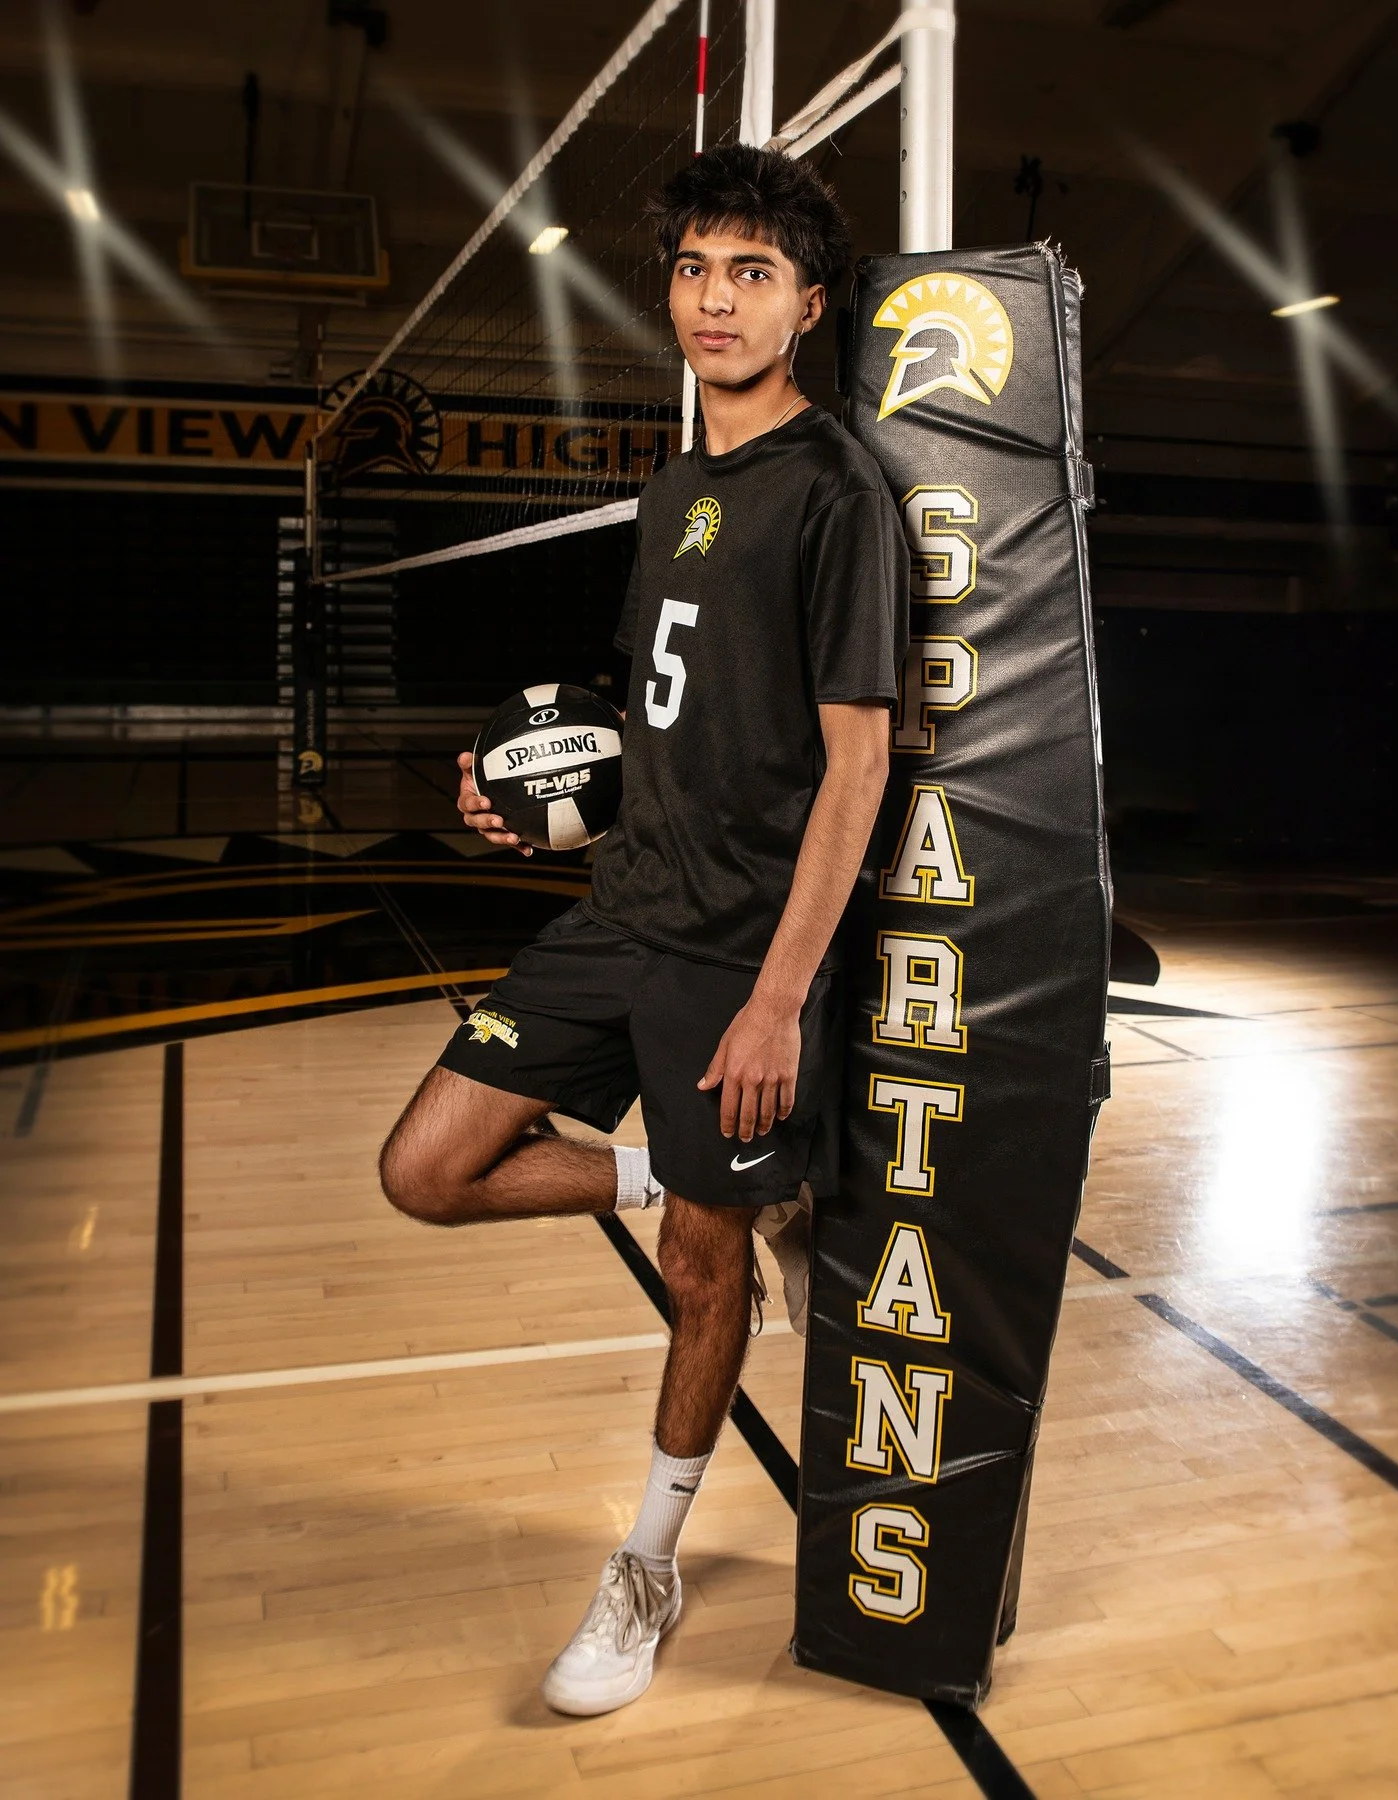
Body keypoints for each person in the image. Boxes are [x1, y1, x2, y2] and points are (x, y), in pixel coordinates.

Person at [379, 143, 908, 1716]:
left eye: (753, 270)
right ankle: (710, 1182)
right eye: (694, 268)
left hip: (738, 957)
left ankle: (651, 1567)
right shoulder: (676, 486)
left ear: (808, 303)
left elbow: (858, 761)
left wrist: (779, 1004)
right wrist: (536, 795)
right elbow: (651, 721)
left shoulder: (837, 494)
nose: (716, 298)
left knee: (697, 1271)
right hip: (618, 915)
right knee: (426, 1168)